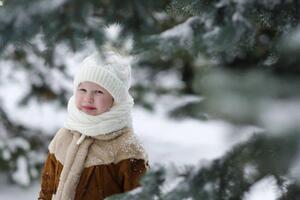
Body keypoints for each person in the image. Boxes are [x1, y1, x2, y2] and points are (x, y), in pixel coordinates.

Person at [38, 50, 149, 200]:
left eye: (98, 92)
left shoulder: (127, 148)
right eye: (82, 90)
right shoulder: (63, 137)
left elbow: (141, 196)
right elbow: (46, 190)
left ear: (115, 99)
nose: (88, 98)